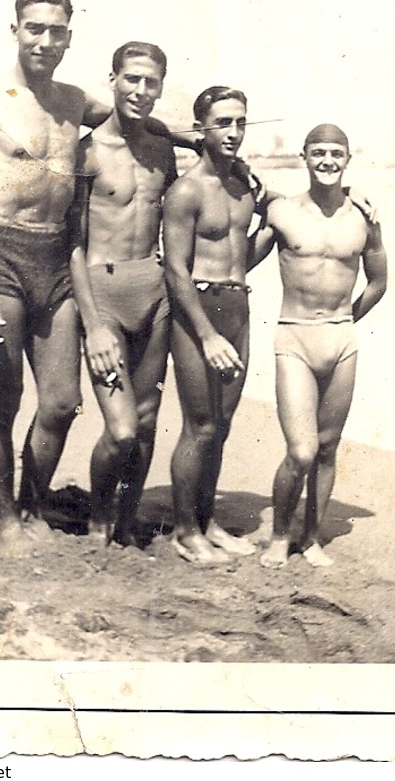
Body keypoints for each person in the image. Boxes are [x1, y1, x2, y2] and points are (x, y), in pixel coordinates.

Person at [0, 0, 191, 548]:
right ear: (15, 29)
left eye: (55, 30)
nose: (44, 39)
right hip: (1, 253)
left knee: (61, 403)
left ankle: (33, 506)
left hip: (56, 260)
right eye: (34, 28)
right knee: (4, 401)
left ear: (68, 36)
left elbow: (136, 121)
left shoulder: (73, 101)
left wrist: (210, 146)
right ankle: (10, 521)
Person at [258, 123, 387, 569]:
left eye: (336, 153)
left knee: (328, 448)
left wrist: (348, 318)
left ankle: (311, 537)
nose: (328, 160)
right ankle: (279, 535)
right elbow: (236, 260)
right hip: (293, 337)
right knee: (302, 451)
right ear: (305, 157)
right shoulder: (283, 213)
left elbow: (379, 281)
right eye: (319, 153)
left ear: (348, 159)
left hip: (341, 340)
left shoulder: (365, 218)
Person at [68, 42, 176, 546]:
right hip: (104, 296)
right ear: (112, 79)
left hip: (153, 294)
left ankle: (129, 517)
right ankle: (97, 514)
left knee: (149, 421)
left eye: (150, 81)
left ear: (160, 87)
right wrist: (92, 326)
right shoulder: (85, 152)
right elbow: (73, 244)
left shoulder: (162, 150)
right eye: (131, 79)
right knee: (122, 429)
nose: (140, 90)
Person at [162, 86, 263, 565]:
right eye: (224, 122)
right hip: (196, 313)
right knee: (199, 425)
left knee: (221, 426)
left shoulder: (245, 187)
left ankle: (207, 520)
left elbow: (245, 253)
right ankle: (185, 532)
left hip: (237, 307)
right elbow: (175, 270)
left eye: (241, 122)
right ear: (201, 127)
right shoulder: (186, 191)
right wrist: (206, 334)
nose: (234, 132)